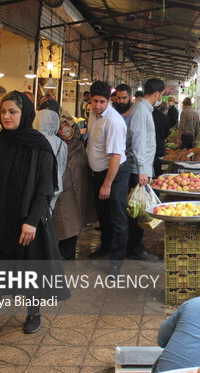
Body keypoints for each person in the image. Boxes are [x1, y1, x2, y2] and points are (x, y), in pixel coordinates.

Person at [0, 91, 69, 356]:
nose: (7, 116)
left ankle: (33, 311)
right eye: (3, 112)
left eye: (13, 112)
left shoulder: (39, 145)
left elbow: (45, 188)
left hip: (24, 219)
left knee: (28, 271)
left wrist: (32, 221)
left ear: (25, 115)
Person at [86, 81, 130, 275]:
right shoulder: (93, 114)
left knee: (117, 216)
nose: (98, 106)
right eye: (95, 101)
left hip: (115, 173)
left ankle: (116, 261)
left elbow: (116, 156)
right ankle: (105, 247)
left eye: (102, 102)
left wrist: (107, 184)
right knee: (102, 214)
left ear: (109, 101)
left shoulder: (113, 120)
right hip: (98, 172)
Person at [125, 78, 163, 262]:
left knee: (138, 208)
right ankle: (135, 247)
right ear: (157, 94)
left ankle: (134, 245)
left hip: (141, 167)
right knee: (138, 210)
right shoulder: (140, 111)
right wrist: (142, 170)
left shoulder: (142, 109)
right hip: (137, 169)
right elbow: (139, 142)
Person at [53, 111, 96, 260]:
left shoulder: (70, 148)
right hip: (71, 192)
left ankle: (65, 254)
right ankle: (64, 253)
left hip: (70, 191)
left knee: (68, 221)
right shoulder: (76, 147)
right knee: (68, 222)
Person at [34, 108, 67, 212]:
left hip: (37, 183)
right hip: (55, 184)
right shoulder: (62, 144)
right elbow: (63, 165)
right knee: (48, 213)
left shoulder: (34, 140)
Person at [152, 102, 171, 178]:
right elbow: (167, 133)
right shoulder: (164, 117)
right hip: (159, 147)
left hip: (147, 148)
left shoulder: (146, 116)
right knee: (158, 170)